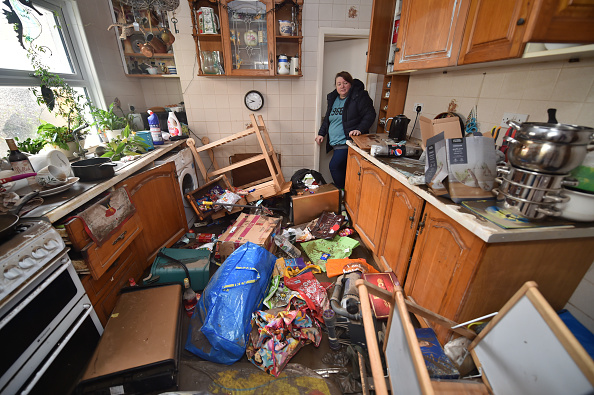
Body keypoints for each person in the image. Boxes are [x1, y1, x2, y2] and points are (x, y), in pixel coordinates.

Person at [315, 71, 376, 189]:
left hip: (348, 142)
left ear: (351, 84)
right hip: (335, 144)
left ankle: (343, 192)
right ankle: (347, 193)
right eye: (339, 84)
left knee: (334, 166)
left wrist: (359, 129)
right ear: (336, 86)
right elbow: (328, 118)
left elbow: (370, 115)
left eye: (345, 83)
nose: (342, 86)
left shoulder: (358, 97)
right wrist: (321, 133)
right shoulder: (333, 98)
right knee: (344, 170)